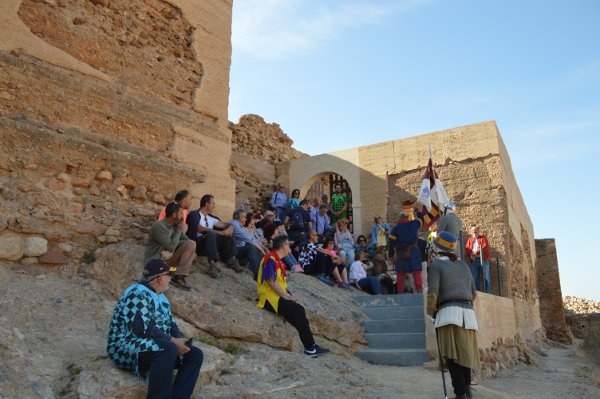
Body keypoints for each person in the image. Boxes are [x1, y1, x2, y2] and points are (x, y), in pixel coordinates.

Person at [107, 259, 204, 398]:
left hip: (152, 347)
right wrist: (172, 341)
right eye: (168, 275)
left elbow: (171, 324)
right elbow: (142, 329)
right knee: (167, 348)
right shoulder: (137, 293)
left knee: (194, 355)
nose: (171, 278)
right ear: (160, 278)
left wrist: (180, 339)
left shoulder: (160, 297)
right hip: (125, 347)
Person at [427, 231, 480, 399]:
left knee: (452, 356)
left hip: (449, 313)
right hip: (468, 314)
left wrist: (431, 312)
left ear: (438, 247)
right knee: (466, 354)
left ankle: (459, 394)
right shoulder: (464, 265)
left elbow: (433, 293)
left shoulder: (436, 265)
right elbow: (474, 293)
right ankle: (466, 389)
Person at [256, 235, 330, 357]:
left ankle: (311, 347)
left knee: (298, 312)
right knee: (298, 310)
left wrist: (288, 294)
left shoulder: (277, 259)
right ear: (282, 246)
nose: (289, 246)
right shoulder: (270, 258)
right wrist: (285, 296)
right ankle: (310, 348)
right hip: (268, 297)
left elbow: (278, 282)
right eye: (288, 244)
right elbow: (271, 281)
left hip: (275, 295)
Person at [186, 194, 244, 279]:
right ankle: (212, 265)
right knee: (211, 234)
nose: (214, 206)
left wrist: (230, 227)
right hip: (198, 246)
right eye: (213, 203)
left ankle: (231, 260)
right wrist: (220, 233)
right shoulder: (194, 214)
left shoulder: (211, 218)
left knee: (228, 233)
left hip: (211, 246)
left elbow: (224, 225)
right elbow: (200, 229)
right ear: (206, 204)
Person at [144, 202, 196, 291]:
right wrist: (179, 231)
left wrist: (192, 251)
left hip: (167, 260)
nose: (182, 217)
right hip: (156, 261)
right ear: (174, 214)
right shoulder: (159, 226)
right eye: (180, 214)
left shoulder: (174, 226)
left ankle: (178, 276)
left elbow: (187, 240)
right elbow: (171, 246)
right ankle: (173, 273)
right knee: (172, 269)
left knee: (191, 243)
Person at [388, 211, 423, 294]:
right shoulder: (414, 223)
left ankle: (400, 293)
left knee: (400, 273)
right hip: (414, 251)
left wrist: (391, 255)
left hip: (402, 253)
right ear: (408, 217)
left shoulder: (396, 228)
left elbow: (391, 243)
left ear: (401, 218)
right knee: (416, 272)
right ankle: (419, 291)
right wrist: (418, 212)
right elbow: (421, 219)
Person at [230, 210, 268, 276]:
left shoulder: (241, 227)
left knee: (256, 248)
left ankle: (263, 270)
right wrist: (262, 250)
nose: (246, 219)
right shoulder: (234, 224)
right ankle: (258, 273)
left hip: (240, 249)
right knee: (251, 247)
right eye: (245, 217)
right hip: (234, 252)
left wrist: (264, 248)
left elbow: (252, 239)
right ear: (241, 217)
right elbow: (249, 239)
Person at [465, 225, 491, 293]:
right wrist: (471, 255)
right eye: (473, 230)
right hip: (474, 260)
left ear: (478, 231)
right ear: (471, 232)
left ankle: (487, 293)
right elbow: (467, 249)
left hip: (483, 259)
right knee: (474, 278)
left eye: (475, 230)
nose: (474, 231)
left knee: (486, 278)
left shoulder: (483, 238)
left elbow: (485, 247)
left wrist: (476, 253)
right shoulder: (470, 240)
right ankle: (477, 293)